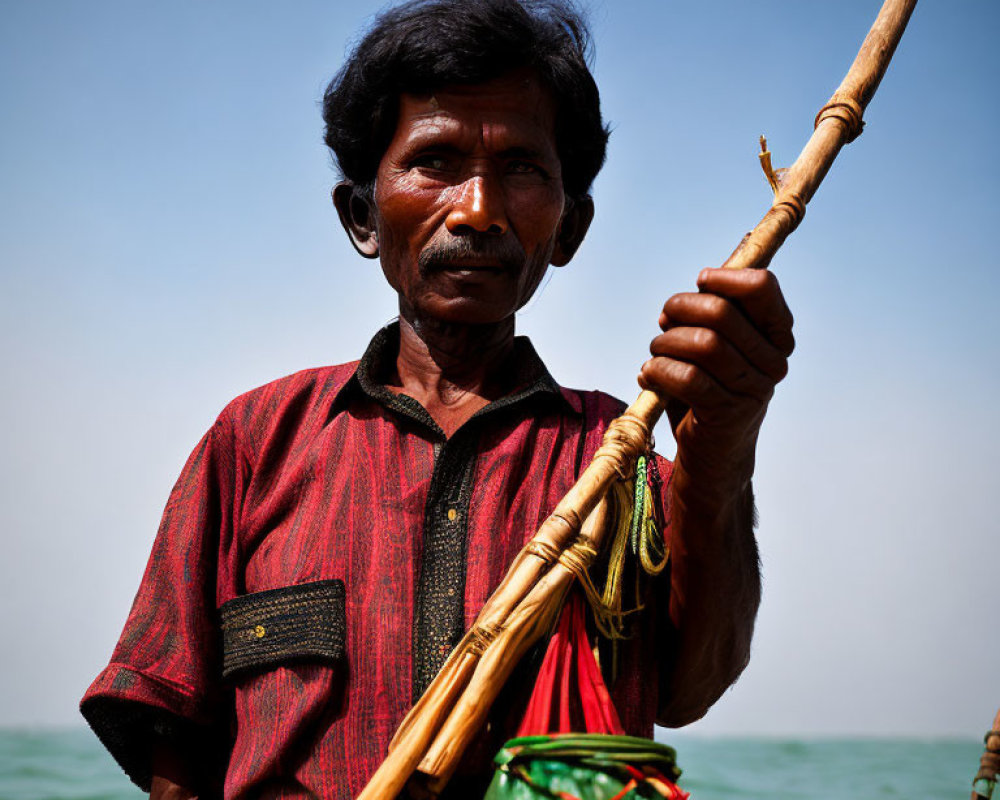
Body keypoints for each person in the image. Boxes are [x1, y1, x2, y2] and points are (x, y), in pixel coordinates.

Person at [81, 1, 794, 798]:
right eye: (436, 161)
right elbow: (171, 732)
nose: (479, 210)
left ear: (569, 229)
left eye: (522, 168)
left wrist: (724, 440)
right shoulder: (254, 441)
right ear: (362, 215)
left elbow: (692, 686)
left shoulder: (621, 459)